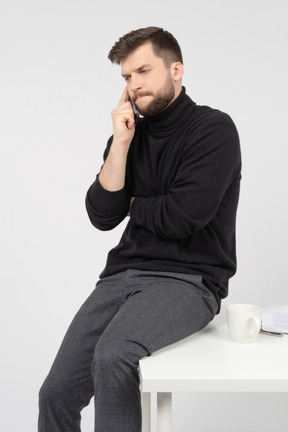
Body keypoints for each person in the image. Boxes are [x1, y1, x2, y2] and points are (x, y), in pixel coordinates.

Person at [38, 26, 241, 432]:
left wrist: (133, 203)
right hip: (120, 277)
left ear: (176, 70)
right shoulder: (130, 136)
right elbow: (102, 214)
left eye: (143, 72)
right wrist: (120, 143)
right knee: (56, 393)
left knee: (114, 355)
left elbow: (185, 216)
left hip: (188, 281)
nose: (134, 86)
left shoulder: (213, 130)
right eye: (127, 77)